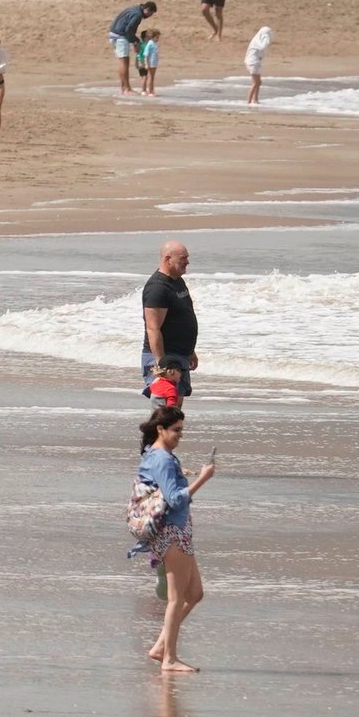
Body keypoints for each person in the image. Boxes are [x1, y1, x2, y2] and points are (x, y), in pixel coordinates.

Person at [138, 406, 214, 673]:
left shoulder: (158, 456)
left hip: (177, 530)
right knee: (176, 598)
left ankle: (161, 648)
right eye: (176, 430)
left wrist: (182, 475)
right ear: (161, 429)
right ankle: (169, 659)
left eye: (182, 430)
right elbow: (176, 498)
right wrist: (203, 478)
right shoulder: (162, 459)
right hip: (172, 532)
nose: (180, 435)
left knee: (194, 594)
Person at [141, 240, 197, 398]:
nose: (187, 262)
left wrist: (190, 350)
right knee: (165, 408)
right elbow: (153, 329)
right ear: (167, 259)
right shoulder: (157, 288)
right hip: (165, 356)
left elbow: (182, 316)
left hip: (180, 355)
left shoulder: (177, 281)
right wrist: (162, 363)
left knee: (175, 408)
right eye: (183, 258)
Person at [110, 0, 158, 94]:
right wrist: (135, 43)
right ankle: (127, 88)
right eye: (150, 14)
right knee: (124, 62)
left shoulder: (135, 9)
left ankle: (123, 87)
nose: (149, 16)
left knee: (123, 61)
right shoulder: (137, 15)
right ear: (147, 9)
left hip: (115, 34)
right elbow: (129, 31)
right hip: (120, 36)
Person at [244, 25, 272, 105]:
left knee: (258, 82)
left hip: (256, 62)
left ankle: (255, 99)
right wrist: (267, 38)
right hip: (252, 62)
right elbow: (262, 46)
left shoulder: (259, 40)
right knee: (255, 82)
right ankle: (249, 101)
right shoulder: (257, 41)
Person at [139, 28, 160, 96]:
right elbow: (146, 55)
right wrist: (146, 64)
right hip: (150, 63)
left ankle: (151, 90)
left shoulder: (155, 43)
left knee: (152, 77)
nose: (158, 39)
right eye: (157, 37)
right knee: (150, 77)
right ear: (152, 37)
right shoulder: (150, 44)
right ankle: (150, 91)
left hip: (154, 63)